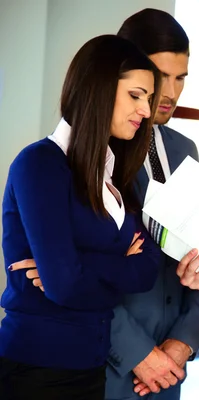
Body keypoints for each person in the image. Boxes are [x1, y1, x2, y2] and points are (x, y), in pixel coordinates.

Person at [15, 9, 199, 399]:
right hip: (107, 359)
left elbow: (194, 252)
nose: (170, 93)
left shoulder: (186, 150)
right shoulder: (72, 157)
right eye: (157, 79)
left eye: (181, 78)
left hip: (169, 367)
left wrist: (184, 340)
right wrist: (137, 352)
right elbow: (66, 279)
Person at [0, 34, 162, 400]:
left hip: (91, 367)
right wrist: (116, 265)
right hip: (36, 370)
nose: (146, 111)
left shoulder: (116, 178)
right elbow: (65, 285)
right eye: (136, 95)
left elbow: (149, 269)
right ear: (99, 87)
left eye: (148, 99)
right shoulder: (40, 164)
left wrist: (79, 263)